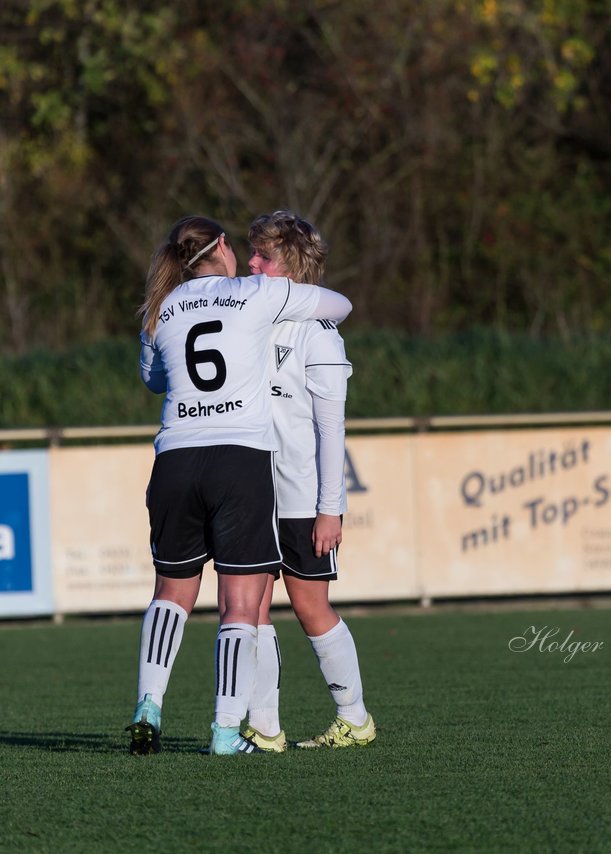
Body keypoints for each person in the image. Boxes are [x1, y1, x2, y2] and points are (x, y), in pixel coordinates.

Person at [128, 214, 352, 756]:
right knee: (241, 604)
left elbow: (153, 377)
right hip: (239, 460)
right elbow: (338, 304)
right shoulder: (255, 293)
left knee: (171, 593)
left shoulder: (161, 309)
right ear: (223, 248)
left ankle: (148, 705)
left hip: (175, 457)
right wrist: (282, 292)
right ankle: (227, 731)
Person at [241, 210, 375, 751]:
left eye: (263, 256)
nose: (252, 263)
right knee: (248, 608)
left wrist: (330, 507)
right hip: (250, 493)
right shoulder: (249, 318)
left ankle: (355, 719)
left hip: (299, 498)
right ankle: (265, 728)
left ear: (290, 268)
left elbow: (330, 429)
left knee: (309, 607)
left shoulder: (319, 335)